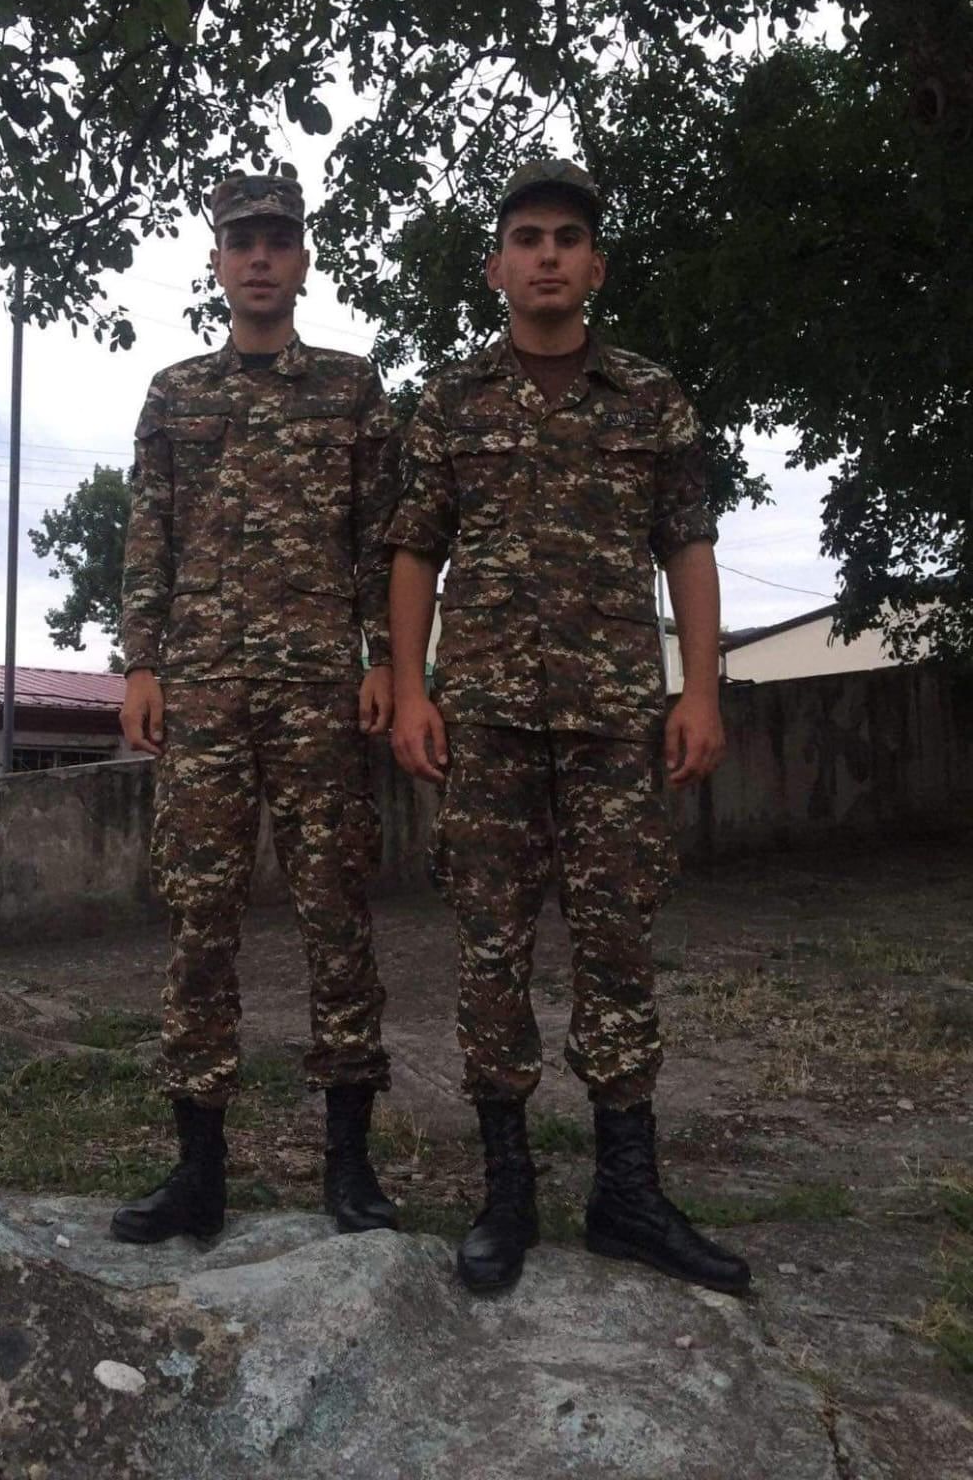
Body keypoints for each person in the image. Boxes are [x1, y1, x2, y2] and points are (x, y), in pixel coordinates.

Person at [386, 159, 750, 1296]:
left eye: (567, 239)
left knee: (618, 949)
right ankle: (508, 1192)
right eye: (527, 238)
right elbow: (415, 551)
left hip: (612, 725)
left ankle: (627, 1194)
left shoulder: (651, 398)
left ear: (596, 266)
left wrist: (701, 689)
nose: (547, 255)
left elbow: (687, 545)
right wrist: (411, 689)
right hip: (487, 723)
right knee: (491, 952)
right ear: (497, 267)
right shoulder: (449, 403)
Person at [112, 164, 399, 1245]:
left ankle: (350, 1165)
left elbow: (380, 541)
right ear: (218, 263)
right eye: (243, 242)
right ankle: (199, 1171)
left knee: (338, 916)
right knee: (199, 922)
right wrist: (143, 666)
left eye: (278, 240)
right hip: (204, 692)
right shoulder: (176, 393)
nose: (261, 258)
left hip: (320, 689)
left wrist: (384, 658)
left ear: (305, 260)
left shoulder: (352, 389)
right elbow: (149, 535)